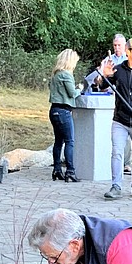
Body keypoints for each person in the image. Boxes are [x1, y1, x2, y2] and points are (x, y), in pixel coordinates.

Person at [87, 38, 132, 200]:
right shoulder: (118, 70)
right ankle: (116, 186)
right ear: (127, 52)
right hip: (120, 121)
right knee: (117, 152)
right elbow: (102, 86)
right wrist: (105, 75)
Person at [48, 49, 82, 182]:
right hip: (64, 111)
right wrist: (81, 88)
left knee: (58, 142)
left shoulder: (55, 74)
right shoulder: (67, 75)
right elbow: (72, 93)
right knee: (69, 141)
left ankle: (57, 169)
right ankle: (70, 171)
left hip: (54, 110)